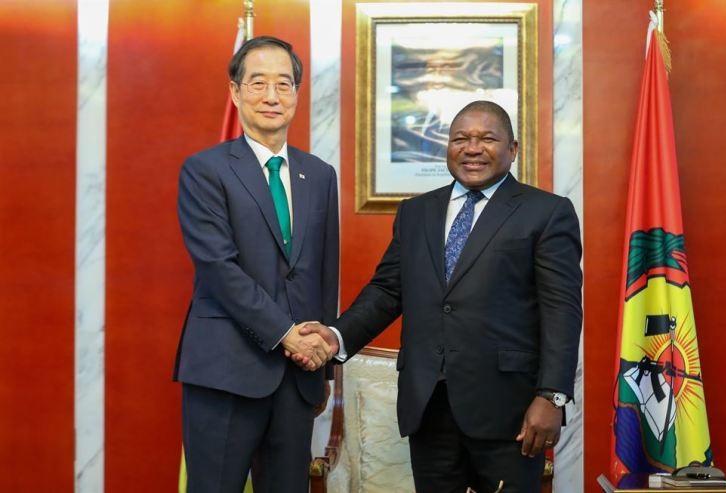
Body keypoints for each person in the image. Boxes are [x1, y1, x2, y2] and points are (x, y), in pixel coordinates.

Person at [295, 101, 582, 492]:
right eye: (460, 138)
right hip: (428, 407)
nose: (472, 148)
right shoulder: (416, 212)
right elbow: (387, 290)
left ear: (512, 149)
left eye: (487, 138)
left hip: (509, 411)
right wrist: (336, 336)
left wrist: (552, 396)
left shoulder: (546, 212)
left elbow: (562, 310)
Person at [174, 36, 338, 493]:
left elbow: (324, 274)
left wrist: (322, 365)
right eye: (258, 83)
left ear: (297, 93)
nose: (271, 96)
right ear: (235, 91)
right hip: (225, 371)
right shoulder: (205, 170)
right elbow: (218, 268)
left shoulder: (319, 174)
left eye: (284, 84)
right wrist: (287, 334)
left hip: (298, 376)